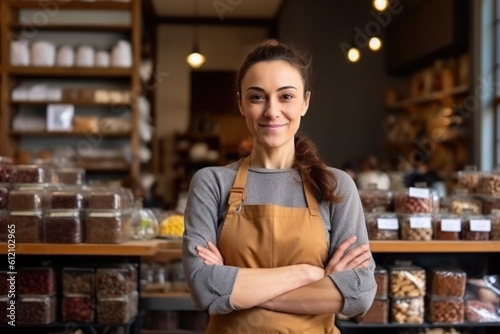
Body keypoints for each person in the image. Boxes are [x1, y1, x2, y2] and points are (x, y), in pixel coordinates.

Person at [182, 39, 376, 333]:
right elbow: (204, 288)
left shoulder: (337, 186)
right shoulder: (211, 183)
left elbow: (359, 293)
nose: (272, 111)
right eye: (257, 97)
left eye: (286, 96)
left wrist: (238, 290)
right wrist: (310, 275)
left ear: (305, 102)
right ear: (241, 103)